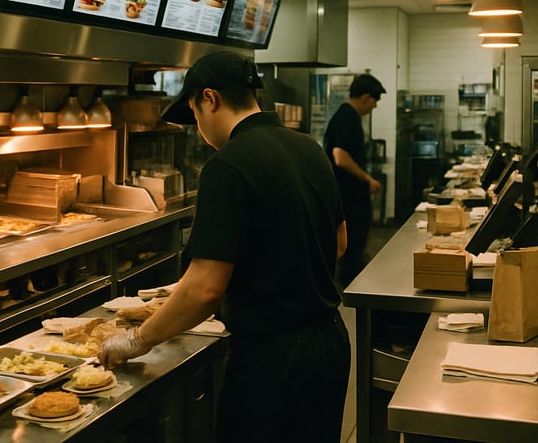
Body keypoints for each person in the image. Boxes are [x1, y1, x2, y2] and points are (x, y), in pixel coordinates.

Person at [100, 51, 351, 443]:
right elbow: (338, 244)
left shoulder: (227, 164)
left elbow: (205, 289)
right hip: (329, 346)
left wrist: (138, 339)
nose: (199, 128)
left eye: (194, 114)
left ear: (210, 99)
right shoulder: (309, 148)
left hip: (272, 363)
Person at [323, 73, 386, 289]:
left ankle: (353, 288)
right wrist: (368, 179)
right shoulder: (347, 116)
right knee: (352, 248)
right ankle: (352, 292)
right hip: (347, 196)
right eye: (375, 101)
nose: (375, 106)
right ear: (366, 97)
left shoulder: (347, 115)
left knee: (355, 247)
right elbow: (340, 156)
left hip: (349, 195)